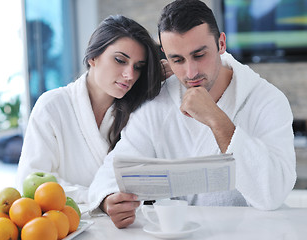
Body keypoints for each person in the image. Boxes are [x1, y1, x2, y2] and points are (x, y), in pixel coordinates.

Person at [88, 0, 296, 229]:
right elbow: (113, 170)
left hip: (251, 230)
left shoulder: (267, 101)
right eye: (177, 60)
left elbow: (273, 194)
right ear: (165, 55)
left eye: (199, 55)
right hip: (180, 231)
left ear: (221, 43)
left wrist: (217, 120)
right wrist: (110, 199)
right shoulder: (157, 102)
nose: (190, 72)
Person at [16, 15, 164, 204]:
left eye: (138, 67)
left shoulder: (138, 110)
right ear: (93, 56)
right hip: (69, 227)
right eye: (120, 60)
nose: (130, 75)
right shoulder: (52, 106)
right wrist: (98, 198)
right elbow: (30, 183)